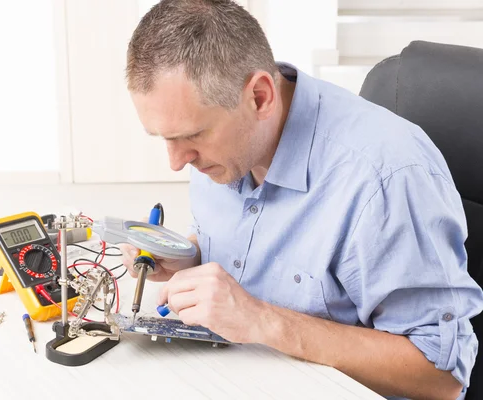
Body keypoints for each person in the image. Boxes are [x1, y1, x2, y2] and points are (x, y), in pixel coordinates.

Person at [118, 1, 483, 399]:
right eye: (165, 138)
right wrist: (187, 256)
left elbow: (442, 377)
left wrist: (263, 322)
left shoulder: (385, 176)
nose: (176, 162)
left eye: (191, 136)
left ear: (259, 96)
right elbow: (260, 249)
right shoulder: (221, 140)